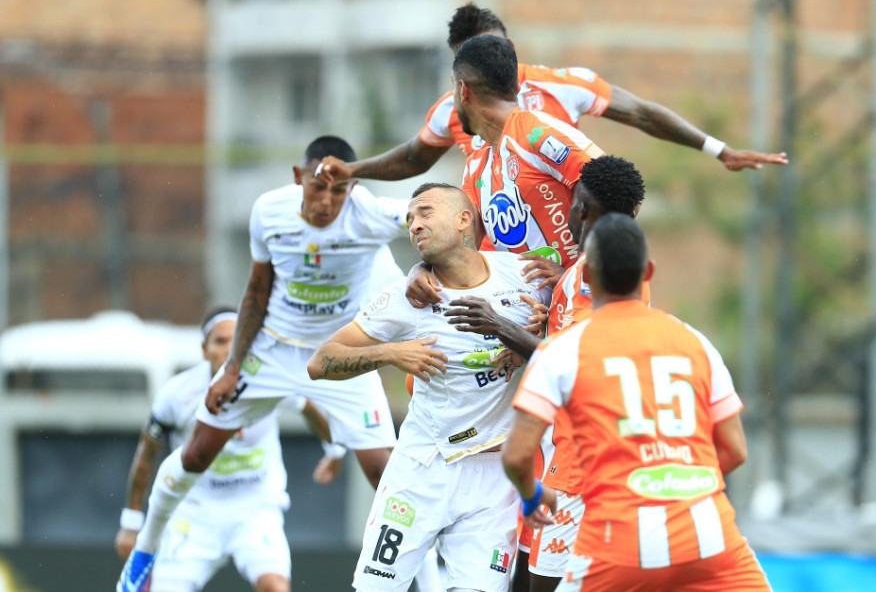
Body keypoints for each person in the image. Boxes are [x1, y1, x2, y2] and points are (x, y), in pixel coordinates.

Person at [117, 136, 408, 592]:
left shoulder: (372, 214)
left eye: (340, 191)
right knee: (193, 453)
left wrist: (434, 268)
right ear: (298, 177)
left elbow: (435, 214)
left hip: (337, 356)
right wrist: (233, 366)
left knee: (385, 475)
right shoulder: (268, 211)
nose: (327, 202)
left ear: (354, 187)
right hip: (272, 352)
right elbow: (256, 290)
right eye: (318, 188)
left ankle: (431, 577)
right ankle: (144, 555)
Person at [503, 214, 771, 591]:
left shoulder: (562, 350)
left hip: (618, 540)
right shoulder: (694, 340)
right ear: (649, 271)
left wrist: (531, 498)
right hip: (709, 538)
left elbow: (516, 456)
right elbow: (735, 449)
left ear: (587, 277)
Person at [307, 183, 553, 592]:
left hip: (495, 478)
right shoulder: (409, 299)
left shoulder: (524, 276)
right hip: (422, 468)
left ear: (463, 219)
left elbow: (572, 341)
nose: (414, 225)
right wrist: (391, 353)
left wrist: (533, 337)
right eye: (409, 220)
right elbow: (320, 362)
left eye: (425, 213)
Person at [314, 2, 787, 188]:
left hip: (564, 247)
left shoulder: (563, 85)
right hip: (497, 255)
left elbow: (642, 114)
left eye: (496, 48)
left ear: (512, 47)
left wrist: (718, 149)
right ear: (460, 73)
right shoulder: (450, 110)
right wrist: (354, 170)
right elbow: (413, 159)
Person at [446, 155, 647, 591]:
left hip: (578, 464)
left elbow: (577, 364)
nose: (571, 214)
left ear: (583, 209)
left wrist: (498, 325)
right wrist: (558, 288)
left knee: (538, 585)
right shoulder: (600, 269)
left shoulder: (594, 275)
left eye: (578, 205)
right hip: (570, 455)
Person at [114, 305, 340, 592]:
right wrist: (131, 521)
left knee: (275, 586)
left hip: (255, 509)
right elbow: (147, 453)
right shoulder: (177, 394)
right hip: (193, 513)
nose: (228, 349)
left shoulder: (270, 381)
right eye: (220, 341)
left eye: (236, 340)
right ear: (203, 348)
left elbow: (309, 408)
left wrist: (335, 452)